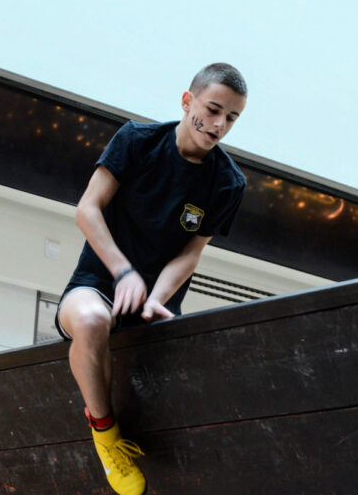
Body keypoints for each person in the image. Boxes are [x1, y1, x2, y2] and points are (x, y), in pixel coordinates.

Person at [55, 62, 248, 495]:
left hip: (157, 306)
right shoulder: (136, 141)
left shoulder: (228, 183)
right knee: (92, 321)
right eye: (213, 110)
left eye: (232, 118)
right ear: (187, 101)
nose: (220, 124)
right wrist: (123, 272)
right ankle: (106, 439)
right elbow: (87, 209)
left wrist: (156, 297)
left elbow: (190, 253)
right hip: (96, 285)